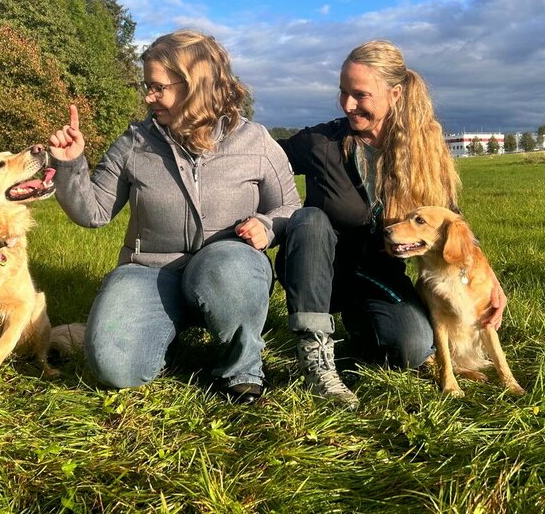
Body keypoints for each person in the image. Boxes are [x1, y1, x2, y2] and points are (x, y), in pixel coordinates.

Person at [49, 30, 300, 403]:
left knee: (227, 264)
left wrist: (266, 226)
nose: (148, 97)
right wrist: (70, 167)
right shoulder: (135, 141)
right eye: (146, 86)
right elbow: (95, 211)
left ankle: (243, 370)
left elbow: (291, 209)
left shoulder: (256, 141)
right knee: (112, 367)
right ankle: (159, 331)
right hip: (150, 272)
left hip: (229, 270)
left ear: (195, 86)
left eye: (158, 88)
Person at [275, 39, 507, 410]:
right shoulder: (321, 142)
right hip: (313, 267)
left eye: (360, 95)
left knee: (414, 345)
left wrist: (486, 273)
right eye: (343, 93)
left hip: (374, 272)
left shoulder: (424, 152)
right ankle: (314, 355)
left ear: (395, 93)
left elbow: (450, 218)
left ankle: (361, 329)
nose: (348, 105)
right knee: (311, 218)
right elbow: (259, 160)